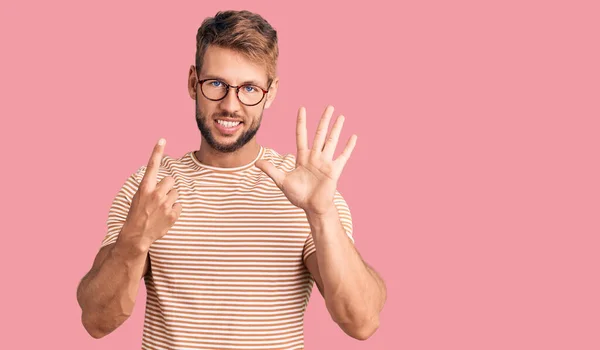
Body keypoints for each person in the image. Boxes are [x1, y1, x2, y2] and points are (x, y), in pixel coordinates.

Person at [76, 9, 387, 350]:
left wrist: (321, 214)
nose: (230, 104)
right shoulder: (150, 188)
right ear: (193, 83)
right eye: (216, 84)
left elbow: (362, 321)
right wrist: (134, 241)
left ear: (270, 93)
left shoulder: (305, 189)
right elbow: (97, 320)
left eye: (249, 88)